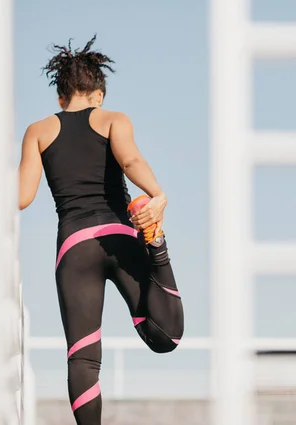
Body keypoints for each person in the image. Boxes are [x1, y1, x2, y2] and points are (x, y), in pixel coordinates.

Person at [18, 35, 185, 425]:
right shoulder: (113, 119)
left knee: (83, 356)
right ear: (99, 94)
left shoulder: (38, 130)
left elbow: (21, 196)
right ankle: (157, 243)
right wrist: (157, 194)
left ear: (61, 98)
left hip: (74, 247)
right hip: (119, 235)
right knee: (166, 336)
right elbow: (129, 160)